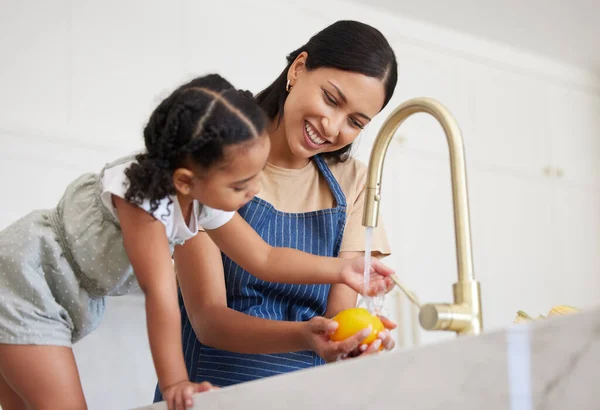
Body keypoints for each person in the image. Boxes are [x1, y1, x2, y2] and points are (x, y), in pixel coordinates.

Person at [0, 74, 395, 410]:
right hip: (28, 288)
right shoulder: (144, 201)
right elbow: (160, 296)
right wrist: (174, 384)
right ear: (186, 180)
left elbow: (265, 256)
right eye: (242, 184)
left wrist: (344, 269)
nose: (254, 191)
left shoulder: (199, 198)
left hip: (62, 300)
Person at [153, 19, 399, 399]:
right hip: (207, 394)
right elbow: (209, 320)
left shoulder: (353, 183)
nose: (332, 127)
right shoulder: (215, 145)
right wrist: (305, 337)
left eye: (355, 122)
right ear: (298, 69)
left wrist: (355, 341)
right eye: (331, 99)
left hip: (305, 399)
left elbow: (337, 319)